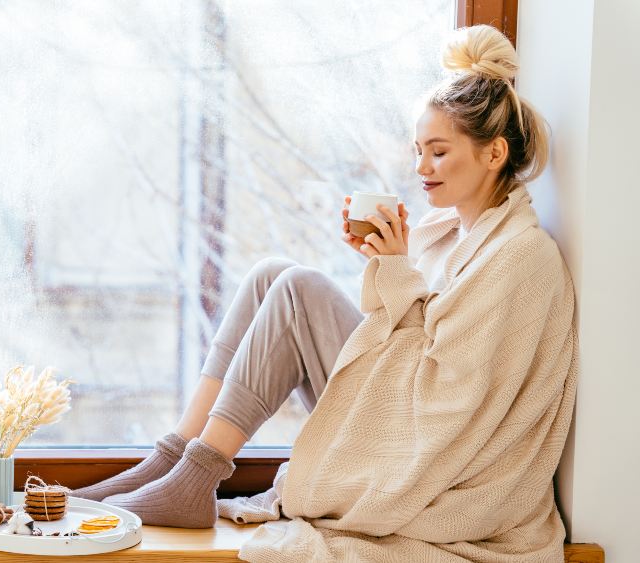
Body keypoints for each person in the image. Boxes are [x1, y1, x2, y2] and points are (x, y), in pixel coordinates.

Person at [71, 25, 578, 561]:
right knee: (272, 273)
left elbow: (446, 397)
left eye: (437, 152)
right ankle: (173, 462)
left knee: (296, 288)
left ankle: (193, 479)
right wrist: (385, 267)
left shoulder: (520, 257)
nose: (420, 168)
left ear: (494, 152)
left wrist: (395, 271)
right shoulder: (450, 232)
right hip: (399, 412)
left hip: (428, 453)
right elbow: (407, 335)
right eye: (417, 150)